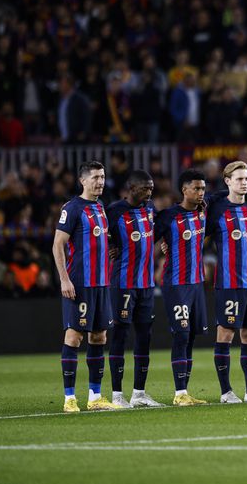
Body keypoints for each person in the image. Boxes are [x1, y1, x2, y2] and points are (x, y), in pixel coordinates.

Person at [52, 161, 118, 412]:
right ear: (83, 181)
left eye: (102, 177)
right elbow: (58, 244)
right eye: (95, 178)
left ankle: (95, 397)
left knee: (99, 336)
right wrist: (64, 278)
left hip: (102, 284)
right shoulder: (73, 208)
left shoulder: (100, 207)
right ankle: (70, 398)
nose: (100, 181)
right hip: (80, 283)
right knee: (74, 335)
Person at [205, 161, 247, 404]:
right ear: (228, 181)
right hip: (228, 283)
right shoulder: (217, 209)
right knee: (225, 334)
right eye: (239, 179)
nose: (244, 183)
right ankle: (226, 392)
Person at [106, 170, 163, 408]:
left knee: (144, 337)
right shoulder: (114, 211)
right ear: (131, 188)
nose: (149, 192)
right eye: (145, 188)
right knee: (119, 335)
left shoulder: (150, 211)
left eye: (151, 188)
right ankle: (117, 394)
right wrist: (110, 247)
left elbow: (157, 235)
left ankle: (139, 393)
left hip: (147, 285)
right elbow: (99, 237)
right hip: (123, 284)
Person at [154, 169, 209, 406]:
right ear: (184, 189)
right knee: (182, 334)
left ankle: (185, 391)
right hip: (176, 284)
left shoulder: (204, 212)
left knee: (192, 337)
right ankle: (179, 394)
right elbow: (149, 239)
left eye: (203, 188)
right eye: (196, 188)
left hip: (196, 284)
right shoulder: (168, 216)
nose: (200, 193)